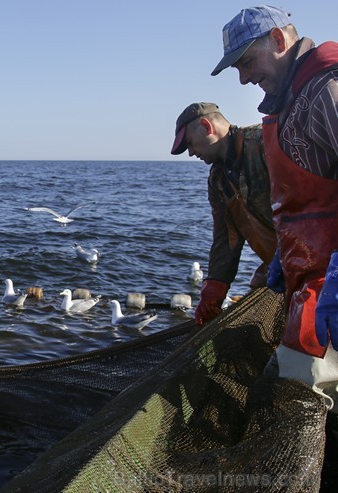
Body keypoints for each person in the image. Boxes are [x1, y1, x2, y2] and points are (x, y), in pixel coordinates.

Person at [211, 5, 338, 406]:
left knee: (291, 396)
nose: (244, 78)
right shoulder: (290, 101)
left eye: (246, 62)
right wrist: (289, 249)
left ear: (279, 41)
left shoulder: (327, 88)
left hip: (327, 292)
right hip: (308, 290)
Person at [170, 102, 276, 326]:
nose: (190, 153)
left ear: (207, 126)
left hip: (319, 265)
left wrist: (291, 258)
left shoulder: (267, 142)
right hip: (283, 270)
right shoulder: (218, 180)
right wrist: (215, 285)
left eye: (189, 143)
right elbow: (225, 238)